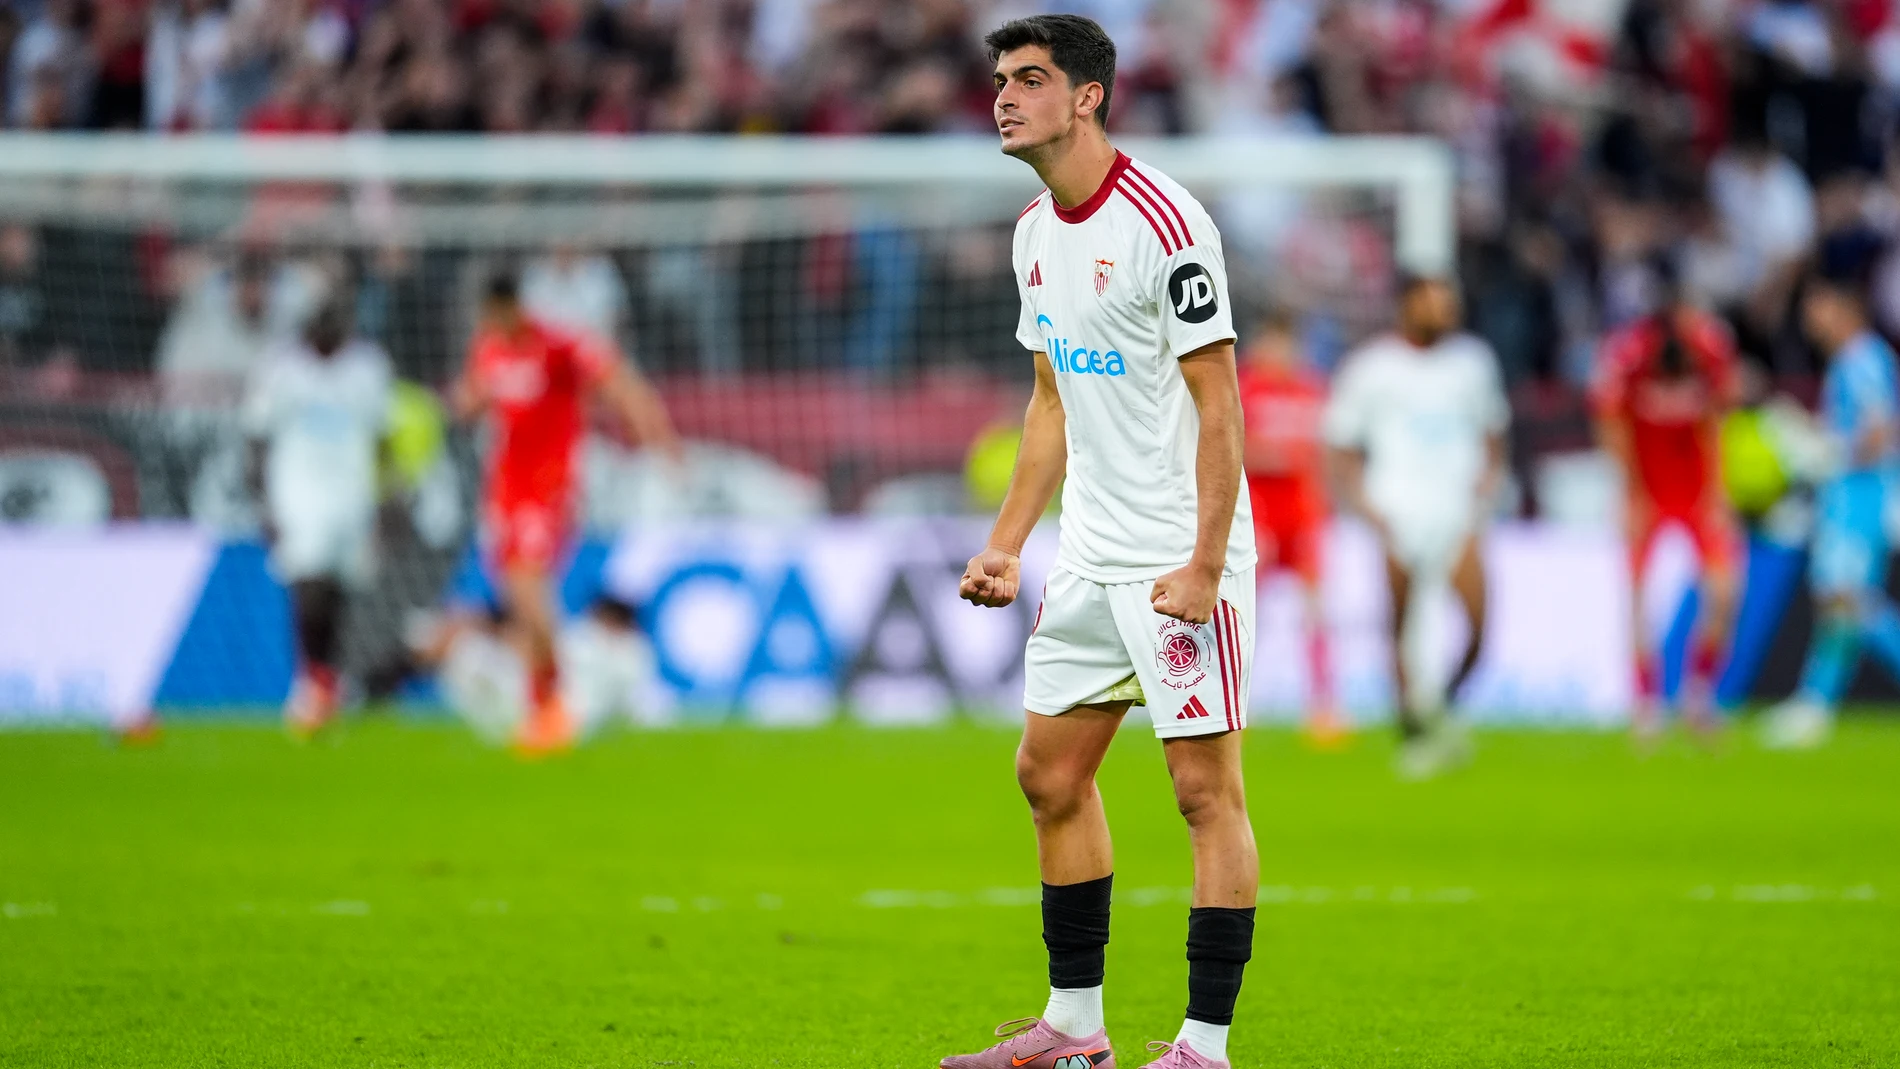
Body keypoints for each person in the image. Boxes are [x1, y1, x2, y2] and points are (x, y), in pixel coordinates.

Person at [950, 15, 1259, 1069]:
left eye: (1029, 79)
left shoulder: (1166, 224)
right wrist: (1008, 541)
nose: (1004, 96)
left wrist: (1206, 565)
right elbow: (1049, 401)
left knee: (1203, 792)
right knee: (1045, 775)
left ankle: (1204, 1047)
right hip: (1089, 555)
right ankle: (1075, 1029)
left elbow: (1220, 409)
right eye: (999, 79)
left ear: (1087, 96)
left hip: (1181, 554)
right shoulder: (1035, 232)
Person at [453, 271, 680, 755]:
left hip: (549, 488)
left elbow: (619, 381)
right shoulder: (489, 349)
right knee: (516, 594)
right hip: (504, 491)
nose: (492, 322)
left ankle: (556, 698)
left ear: (515, 307)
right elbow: (468, 400)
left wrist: (656, 434)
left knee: (532, 589)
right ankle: (542, 706)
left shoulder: (558, 345)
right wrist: (469, 400)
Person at [1324, 275, 1508, 778]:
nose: (1444, 311)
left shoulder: (1473, 362)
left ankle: (1439, 706)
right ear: (1407, 305)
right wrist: (1366, 507)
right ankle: (1413, 729)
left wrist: (1486, 486)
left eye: (1449, 302)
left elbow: (1493, 434)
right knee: (1401, 623)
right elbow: (1342, 445)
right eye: (1433, 302)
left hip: (1456, 509)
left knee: (1478, 624)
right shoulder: (1372, 367)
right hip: (1398, 507)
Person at [1593, 258, 1742, 735]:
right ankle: (1646, 702)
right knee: (1638, 596)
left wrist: (1719, 492)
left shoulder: (1712, 347)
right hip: (1648, 491)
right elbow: (1610, 423)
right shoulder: (1628, 354)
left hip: (1698, 491)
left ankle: (1699, 694)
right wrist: (1629, 492)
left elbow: (1719, 419)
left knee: (1723, 593)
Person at [1762, 258, 1900, 748]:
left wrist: (1827, 453)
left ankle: (1814, 703)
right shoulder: (1854, 360)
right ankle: (1815, 704)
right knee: (1838, 606)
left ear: (1845, 308)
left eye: (1816, 305)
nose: (1809, 317)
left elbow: (1883, 431)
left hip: (1859, 497)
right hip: (1849, 496)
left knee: (1848, 602)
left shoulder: (1863, 359)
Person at [243, 301, 393, 737]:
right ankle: (310, 682)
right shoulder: (280, 366)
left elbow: (382, 437)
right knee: (309, 581)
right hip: (299, 489)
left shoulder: (369, 366)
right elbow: (257, 436)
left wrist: (385, 499)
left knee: (340, 587)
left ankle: (327, 679)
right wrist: (264, 504)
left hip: (352, 490)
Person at [1235, 309, 1342, 743]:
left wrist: (1327, 499)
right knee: (1245, 612)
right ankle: (1239, 701)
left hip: (1303, 517)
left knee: (1316, 611)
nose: (1278, 353)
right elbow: (1228, 447)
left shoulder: (1311, 390)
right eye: (1271, 344)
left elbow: (1326, 452)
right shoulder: (1245, 388)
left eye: (1286, 345)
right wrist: (1273, 457)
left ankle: (1324, 707)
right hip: (1258, 515)